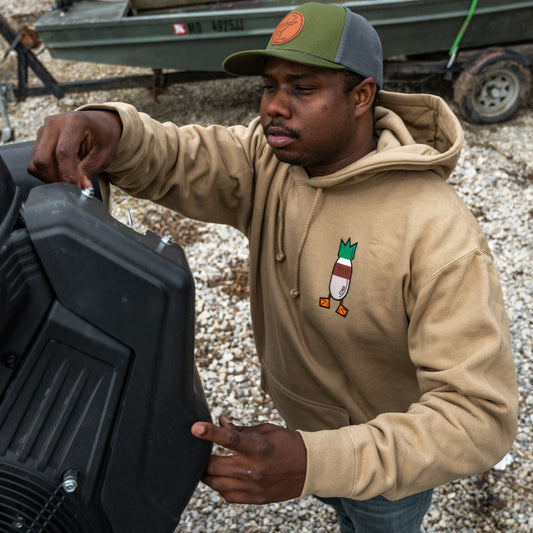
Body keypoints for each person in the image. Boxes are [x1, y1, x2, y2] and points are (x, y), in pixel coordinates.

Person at [28, 3, 517, 531]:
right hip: (302, 435)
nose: (274, 108)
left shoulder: (438, 234)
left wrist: (316, 463)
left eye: (302, 89)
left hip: (385, 469)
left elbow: (479, 419)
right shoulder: (272, 158)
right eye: (269, 87)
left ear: (361, 96)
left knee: (374, 519)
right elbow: (180, 156)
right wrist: (107, 127)